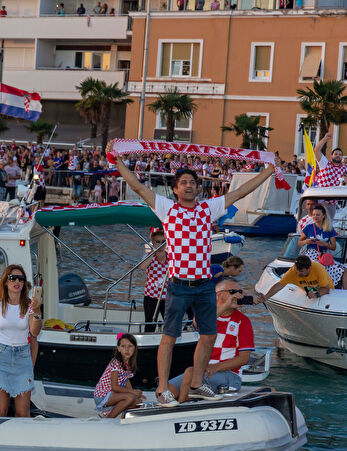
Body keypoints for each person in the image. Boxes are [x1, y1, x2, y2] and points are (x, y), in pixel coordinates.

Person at [111, 141, 274, 407]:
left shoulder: (207, 209)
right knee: (169, 338)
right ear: (175, 189)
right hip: (178, 285)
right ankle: (163, 389)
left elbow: (242, 191)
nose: (189, 185)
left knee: (208, 335)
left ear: (197, 188)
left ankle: (197, 383)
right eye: (183, 182)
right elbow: (138, 186)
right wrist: (117, 161)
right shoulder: (167, 208)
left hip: (204, 286)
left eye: (192, 182)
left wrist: (268, 171)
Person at [168, 279, 255, 402]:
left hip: (229, 374)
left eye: (240, 292)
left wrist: (215, 367)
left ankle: (182, 407)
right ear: (219, 294)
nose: (238, 295)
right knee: (169, 390)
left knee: (190, 373)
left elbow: (244, 358)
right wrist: (225, 306)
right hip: (203, 371)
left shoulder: (243, 321)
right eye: (233, 291)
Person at [0, 265, 43, 417]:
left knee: (22, 413)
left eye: (21, 279)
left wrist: (37, 311)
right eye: (12, 278)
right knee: (0, 411)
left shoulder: (29, 305)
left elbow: (34, 333)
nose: (17, 281)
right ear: (5, 282)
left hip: (22, 357)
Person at [93, 333, 145, 418]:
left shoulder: (129, 365)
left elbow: (126, 381)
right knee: (129, 398)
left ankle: (113, 413)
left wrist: (135, 394)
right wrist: (133, 392)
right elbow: (115, 387)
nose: (127, 349)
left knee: (138, 402)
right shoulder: (115, 363)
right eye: (123, 346)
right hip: (102, 396)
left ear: (135, 348)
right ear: (118, 349)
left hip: (113, 395)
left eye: (130, 346)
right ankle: (108, 419)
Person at [298, 204, 345, 288]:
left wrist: (325, 244)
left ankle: (344, 295)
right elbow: (299, 242)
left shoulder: (330, 229)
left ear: (323, 216)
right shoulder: (308, 227)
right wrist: (306, 241)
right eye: (314, 214)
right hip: (310, 256)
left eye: (318, 215)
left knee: (344, 270)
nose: (315, 216)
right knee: (315, 269)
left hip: (323, 257)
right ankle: (315, 290)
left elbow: (333, 247)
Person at [257, 255, 333, 302]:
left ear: (309, 268)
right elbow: (279, 285)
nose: (298, 273)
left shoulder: (318, 269)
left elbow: (326, 289)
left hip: (327, 291)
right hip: (310, 289)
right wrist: (266, 297)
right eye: (297, 270)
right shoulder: (293, 272)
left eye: (301, 271)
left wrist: (316, 295)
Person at [140, 229, 168, 332]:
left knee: (169, 323)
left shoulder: (170, 257)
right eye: (158, 242)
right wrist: (153, 251)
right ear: (153, 243)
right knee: (150, 323)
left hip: (166, 296)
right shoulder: (148, 255)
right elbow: (142, 267)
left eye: (163, 242)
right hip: (151, 296)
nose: (161, 244)